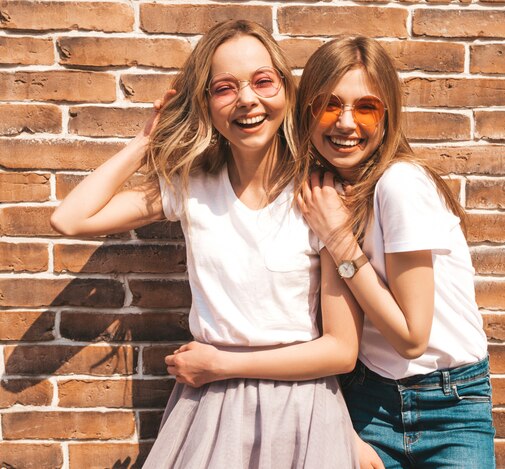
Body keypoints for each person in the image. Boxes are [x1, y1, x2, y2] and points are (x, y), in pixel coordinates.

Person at [51, 20, 360, 468]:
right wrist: (146, 140)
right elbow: (69, 218)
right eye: (225, 88)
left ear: (286, 93)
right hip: (210, 409)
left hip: (302, 409)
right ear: (208, 106)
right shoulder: (190, 188)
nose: (247, 99)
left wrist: (226, 365)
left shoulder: (318, 197)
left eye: (262, 81)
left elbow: (341, 350)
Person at [294, 36, 496, 468]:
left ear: (388, 118)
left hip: (450, 406)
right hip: (367, 398)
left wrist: (339, 240)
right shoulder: (325, 194)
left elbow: (411, 338)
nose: (346, 123)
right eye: (329, 105)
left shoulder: (399, 184)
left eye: (365, 107)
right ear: (306, 112)